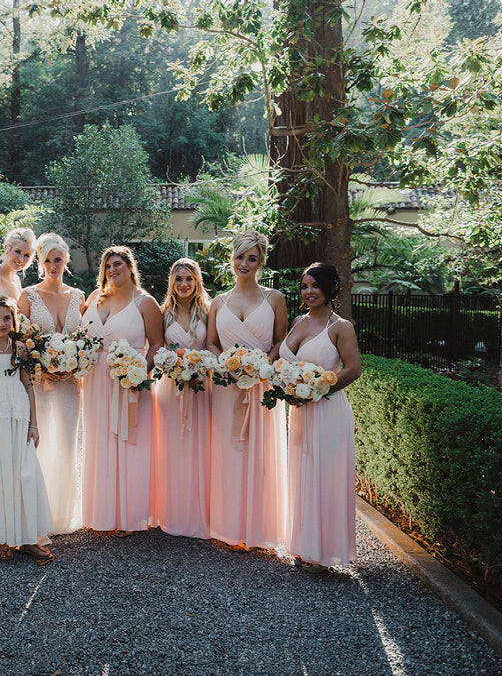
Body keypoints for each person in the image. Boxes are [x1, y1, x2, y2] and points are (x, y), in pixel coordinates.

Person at [206, 230, 288, 550]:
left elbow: (282, 340)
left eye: (251, 258)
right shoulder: (218, 301)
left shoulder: (274, 299)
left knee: (261, 453)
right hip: (227, 388)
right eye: (239, 256)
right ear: (232, 259)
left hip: (261, 385)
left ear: (261, 262)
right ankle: (229, 528)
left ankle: (260, 529)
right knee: (229, 453)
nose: (244, 263)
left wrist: (261, 365)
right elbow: (212, 343)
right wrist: (226, 364)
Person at [280, 262, 361, 570]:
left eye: (315, 285)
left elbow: (353, 369)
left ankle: (325, 552)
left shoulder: (341, 326)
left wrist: (316, 391)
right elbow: (285, 361)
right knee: (303, 475)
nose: (308, 291)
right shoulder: (299, 320)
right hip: (300, 413)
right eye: (304, 286)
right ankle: (304, 545)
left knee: (325, 477)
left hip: (328, 410)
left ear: (330, 289)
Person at [80, 246, 164, 533]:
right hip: (94, 381)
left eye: (118, 264)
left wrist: (138, 371)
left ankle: (130, 514)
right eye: (107, 266)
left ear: (130, 267)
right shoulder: (94, 298)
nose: (112, 270)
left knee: (129, 442)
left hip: (128, 383)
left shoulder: (145, 302)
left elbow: (156, 344)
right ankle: (101, 512)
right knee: (99, 441)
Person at [0, 298, 54, 563]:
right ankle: (1, 535)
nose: (2, 323)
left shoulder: (20, 349)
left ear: (13, 321)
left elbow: (28, 386)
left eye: (7, 318)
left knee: (24, 472)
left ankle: (28, 536)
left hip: (19, 414)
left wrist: (34, 423)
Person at [16, 233, 86, 534]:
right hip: (38, 383)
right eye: (47, 260)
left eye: (58, 259)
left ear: (66, 260)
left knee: (68, 443)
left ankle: (62, 514)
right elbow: (19, 341)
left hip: (70, 382)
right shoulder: (28, 296)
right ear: (40, 263)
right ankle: (36, 515)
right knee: (40, 442)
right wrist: (41, 366)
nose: (53, 265)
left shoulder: (79, 297)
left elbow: (85, 341)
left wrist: (74, 364)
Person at [152, 258, 212, 539]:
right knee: (172, 448)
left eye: (189, 279)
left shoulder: (208, 313)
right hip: (170, 389)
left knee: (201, 449)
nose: (184, 284)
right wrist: (171, 367)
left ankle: (199, 513)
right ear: (172, 283)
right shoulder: (163, 313)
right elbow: (157, 349)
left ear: (197, 281)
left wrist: (202, 369)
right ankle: (172, 513)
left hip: (201, 389)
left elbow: (214, 348)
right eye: (179, 279)